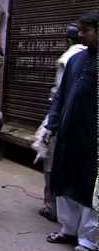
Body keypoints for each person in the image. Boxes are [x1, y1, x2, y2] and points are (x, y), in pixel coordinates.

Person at [43, 11, 98, 251]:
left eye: (86, 31)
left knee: (88, 188)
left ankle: (88, 241)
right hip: (68, 133)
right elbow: (61, 96)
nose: (80, 35)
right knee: (64, 181)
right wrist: (51, 126)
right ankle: (68, 229)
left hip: (92, 139)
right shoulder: (76, 60)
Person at [32, 23, 87, 222]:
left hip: (63, 116)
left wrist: (51, 123)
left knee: (51, 161)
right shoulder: (86, 57)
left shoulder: (68, 59)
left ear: (69, 39)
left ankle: (52, 207)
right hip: (78, 119)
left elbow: (60, 93)